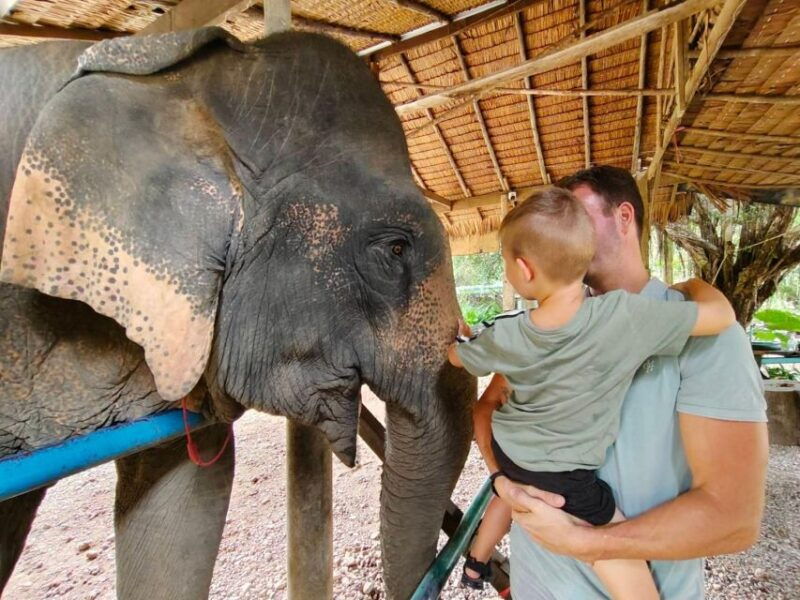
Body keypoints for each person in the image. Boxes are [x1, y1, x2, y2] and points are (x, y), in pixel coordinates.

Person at [484, 166, 767, 599]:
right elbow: (487, 409)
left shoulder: (706, 338)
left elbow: (734, 517)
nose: (561, 234)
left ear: (623, 217)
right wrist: (503, 480)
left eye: (576, 217)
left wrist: (585, 543)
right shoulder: (548, 327)